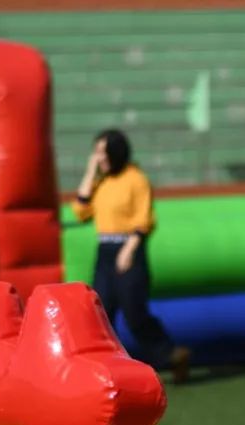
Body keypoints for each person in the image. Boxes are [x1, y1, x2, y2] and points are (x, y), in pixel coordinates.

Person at [71, 129, 189, 381]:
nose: (99, 157)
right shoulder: (101, 182)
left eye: (103, 152)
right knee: (101, 313)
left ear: (116, 152)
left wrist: (128, 250)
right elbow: (80, 211)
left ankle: (171, 355)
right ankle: (107, 370)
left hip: (129, 250)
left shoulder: (136, 180)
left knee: (134, 314)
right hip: (104, 252)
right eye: (96, 152)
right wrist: (91, 171)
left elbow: (144, 220)